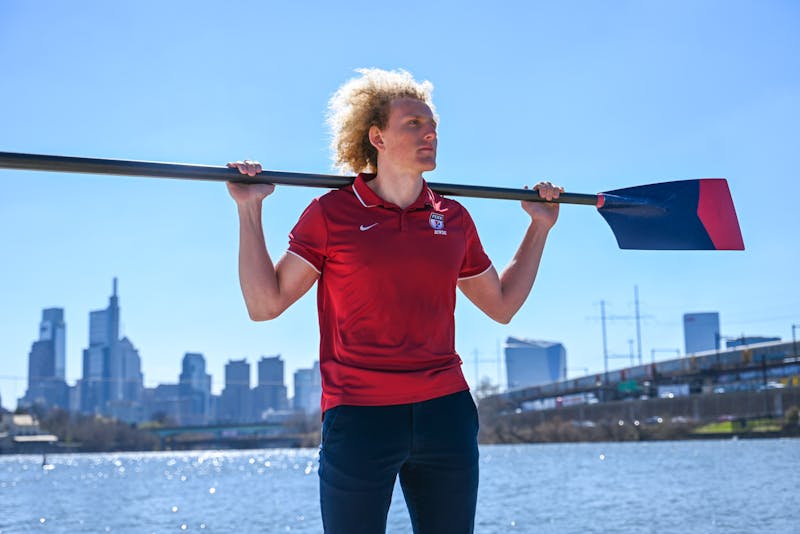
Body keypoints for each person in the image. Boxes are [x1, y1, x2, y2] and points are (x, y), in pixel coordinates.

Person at [227, 68, 561, 534]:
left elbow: (501, 305)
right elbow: (265, 304)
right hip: (359, 417)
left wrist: (539, 227)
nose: (430, 134)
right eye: (414, 124)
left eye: (433, 127)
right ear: (376, 137)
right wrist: (250, 207)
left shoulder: (453, 217)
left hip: (446, 412)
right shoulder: (331, 214)